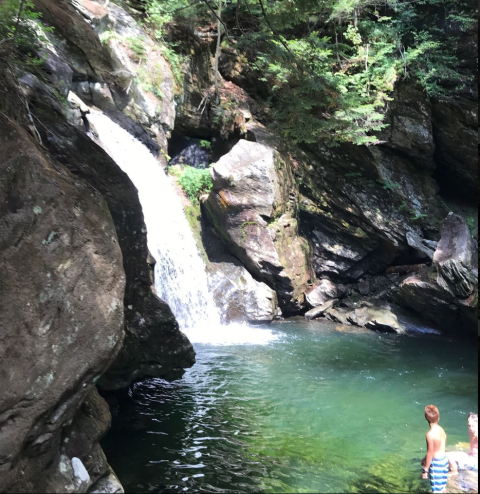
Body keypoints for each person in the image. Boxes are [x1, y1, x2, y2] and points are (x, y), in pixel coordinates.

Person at [421, 405, 449, 493]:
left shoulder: (430, 434)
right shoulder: (441, 429)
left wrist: (425, 469)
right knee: (442, 488)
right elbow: (437, 448)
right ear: (438, 417)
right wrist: (425, 458)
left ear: (426, 418)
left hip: (437, 464)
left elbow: (430, 453)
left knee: (436, 491)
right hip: (444, 461)